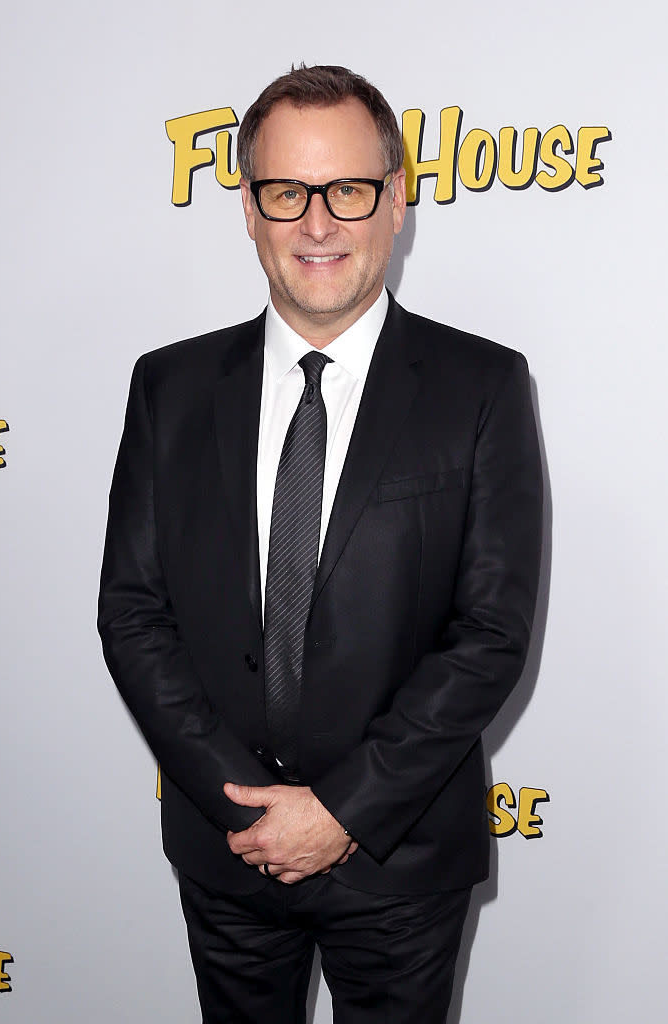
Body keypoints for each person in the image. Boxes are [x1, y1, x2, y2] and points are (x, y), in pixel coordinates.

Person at [98, 64, 543, 1024]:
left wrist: (341, 812)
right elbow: (133, 613)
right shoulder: (167, 389)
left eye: (347, 189)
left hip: (400, 854)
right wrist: (249, 811)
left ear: (397, 200)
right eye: (284, 192)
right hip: (229, 849)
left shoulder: (481, 387)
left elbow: (489, 633)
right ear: (249, 210)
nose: (316, 223)